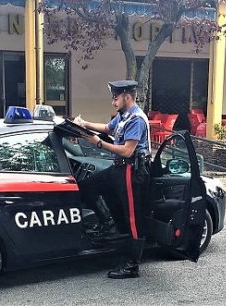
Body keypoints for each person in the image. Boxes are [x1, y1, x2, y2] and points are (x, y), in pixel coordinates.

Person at [74, 80, 151, 279]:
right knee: (88, 186)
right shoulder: (123, 116)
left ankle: (132, 265)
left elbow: (127, 150)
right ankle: (108, 227)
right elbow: (108, 128)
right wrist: (85, 125)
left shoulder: (136, 119)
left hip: (131, 170)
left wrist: (98, 143)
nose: (113, 102)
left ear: (127, 96)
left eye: (115, 98)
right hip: (118, 168)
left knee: (133, 218)